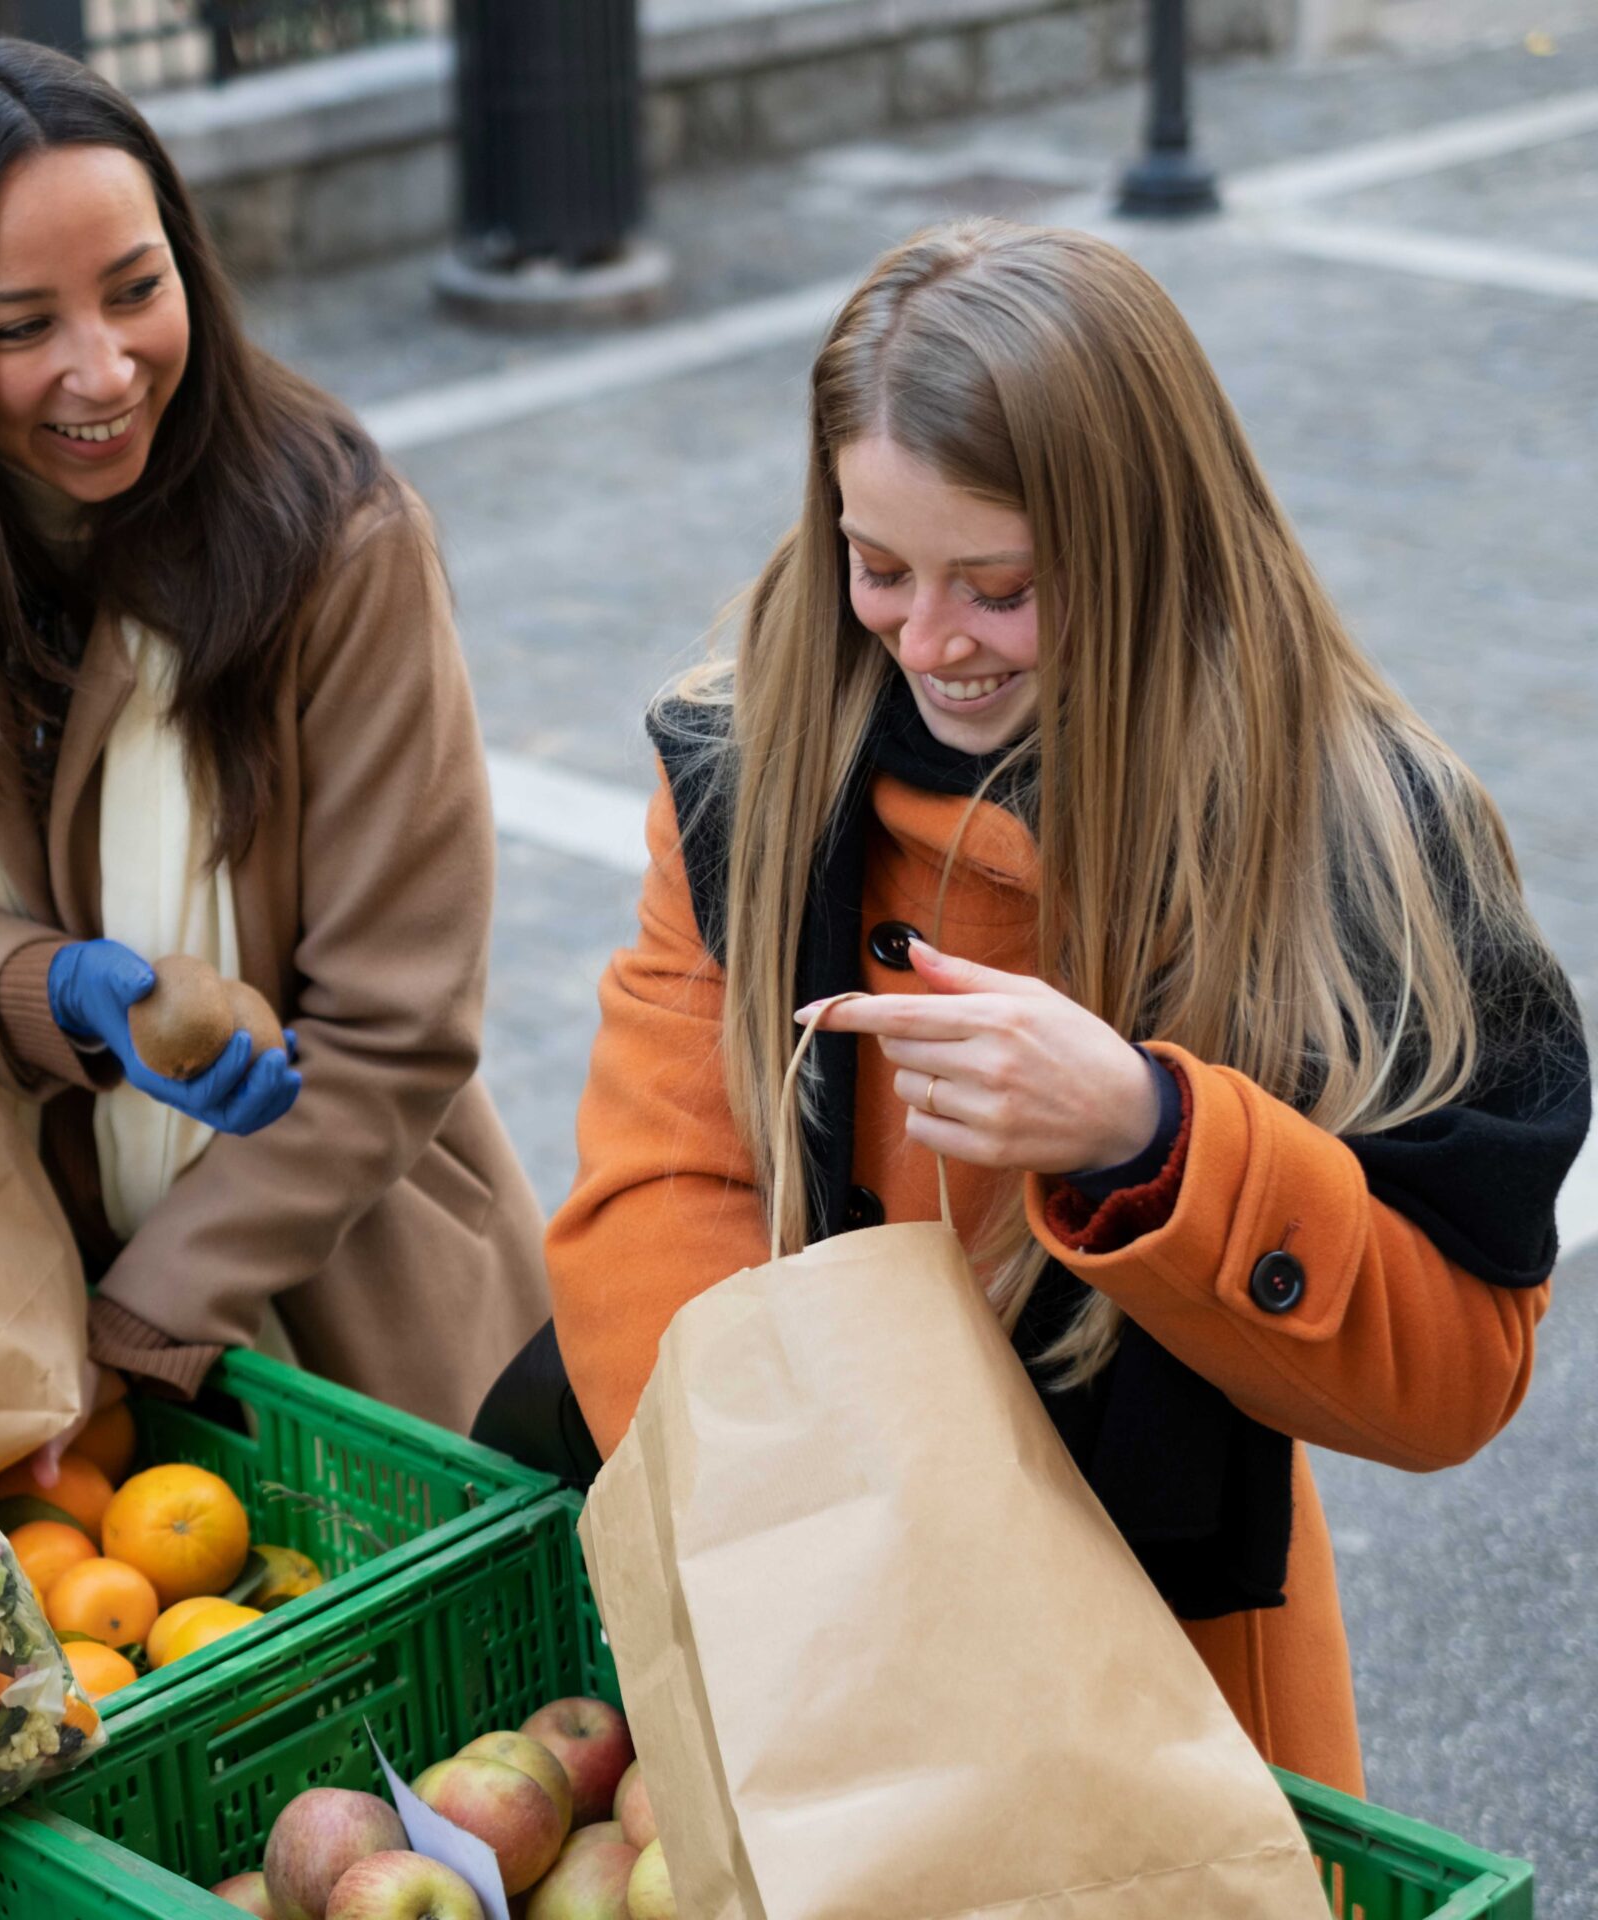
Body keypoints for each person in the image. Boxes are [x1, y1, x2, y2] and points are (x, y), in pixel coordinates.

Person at [504, 220, 1590, 1791]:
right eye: (877, 566)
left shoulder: (1354, 838)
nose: (927, 640)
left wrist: (1148, 1136)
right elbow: (661, 1200)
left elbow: (1456, 1375)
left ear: (1140, 548)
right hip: (814, 1613)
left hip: (1169, 1664)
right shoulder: (748, 760)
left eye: (999, 587)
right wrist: (825, 1536)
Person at [0, 37, 550, 1449]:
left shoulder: (333, 540)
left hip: (335, 1310)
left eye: (137, 289)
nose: (101, 369)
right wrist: (50, 992)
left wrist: (137, 1324)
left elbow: (395, 1028)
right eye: (18, 327)